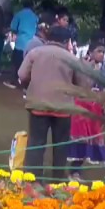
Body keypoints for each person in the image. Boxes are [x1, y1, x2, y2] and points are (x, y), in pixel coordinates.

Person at [19, 25, 90, 184]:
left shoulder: (35, 53)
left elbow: (22, 75)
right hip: (63, 109)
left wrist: (32, 84)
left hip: (38, 106)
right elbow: (83, 84)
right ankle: (57, 181)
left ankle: (33, 180)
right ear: (67, 41)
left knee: (36, 143)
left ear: (48, 37)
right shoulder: (72, 59)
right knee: (61, 145)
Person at [68, 43, 105, 179]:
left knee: (90, 141)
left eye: (103, 52)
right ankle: (74, 171)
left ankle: (76, 170)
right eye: (99, 51)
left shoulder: (104, 68)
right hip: (81, 107)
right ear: (91, 52)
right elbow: (79, 84)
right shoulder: (81, 65)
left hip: (95, 109)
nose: (102, 55)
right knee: (80, 139)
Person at [5, 1, 39, 88]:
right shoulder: (35, 17)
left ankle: (13, 81)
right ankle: (27, 84)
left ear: (23, 6)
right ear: (32, 7)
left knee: (16, 62)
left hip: (21, 42)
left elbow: (13, 28)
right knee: (29, 64)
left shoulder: (19, 14)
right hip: (33, 43)